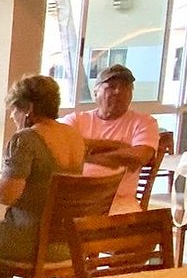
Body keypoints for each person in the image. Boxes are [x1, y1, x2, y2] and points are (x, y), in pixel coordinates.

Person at [0, 74, 88, 278]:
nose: (12, 116)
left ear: (28, 108)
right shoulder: (74, 137)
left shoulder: (26, 140)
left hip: (32, 242)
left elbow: (7, 195)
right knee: (1, 231)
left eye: (15, 110)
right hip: (68, 244)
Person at [65, 63, 159, 212]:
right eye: (111, 86)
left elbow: (139, 157)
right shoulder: (75, 120)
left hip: (119, 201)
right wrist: (119, 147)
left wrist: (85, 156)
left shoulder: (145, 122)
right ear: (95, 92)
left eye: (125, 87)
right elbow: (62, 147)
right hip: (75, 198)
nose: (118, 92)